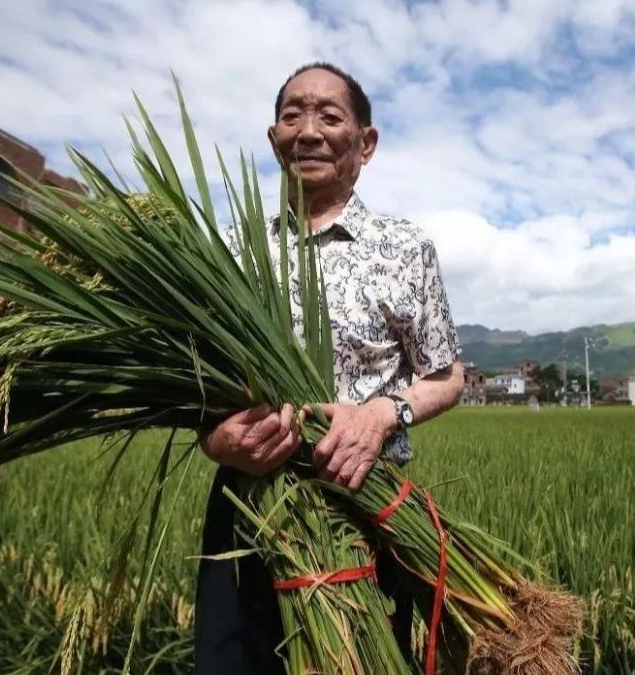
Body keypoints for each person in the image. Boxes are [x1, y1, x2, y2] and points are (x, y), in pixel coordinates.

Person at [193, 62, 465, 674]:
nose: (308, 131)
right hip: (248, 507)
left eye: (330, 116)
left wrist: (382, 414)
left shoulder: (404, 248)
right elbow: (196, 385)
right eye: (292, 115)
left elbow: (447, 377)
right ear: (273, 138)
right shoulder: (232, 251)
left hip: (362, 506)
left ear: (365, 144)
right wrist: (216, 439)